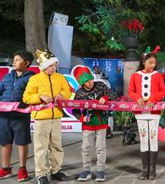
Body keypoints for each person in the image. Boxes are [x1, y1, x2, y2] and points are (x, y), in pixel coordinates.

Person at [23, 49, 72, 184]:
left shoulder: (60, 77)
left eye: (55, 65)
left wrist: (63, 95)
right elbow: (26, 98)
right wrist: (40, 96)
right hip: (41, 118)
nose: (53, 68)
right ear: (44, 66)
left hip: (56, 116)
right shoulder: (34, 79)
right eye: (51, 65)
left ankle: (56, 170)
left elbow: (67, 91)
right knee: (41, 147)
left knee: (57, 145)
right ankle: (41, 174)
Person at [73, 66, 117, 182]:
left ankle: (101, 171)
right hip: (87, 125)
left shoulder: (101, 85)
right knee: (86, 148)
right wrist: (82, 118)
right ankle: (86, 170)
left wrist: (105, 97)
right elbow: (75, 110)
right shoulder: (79, 93)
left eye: (91, 79)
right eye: (87, 81)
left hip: (101, 123)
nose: (90, 82)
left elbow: (113, 94)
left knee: (100, 148)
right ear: (82, 83)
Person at [128, 47, 165, 180]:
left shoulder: (157, 75)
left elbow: (163, 91)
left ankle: (153, 170)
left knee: (153, 138)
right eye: (150, 62)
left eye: (154, 63)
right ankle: (145, 170)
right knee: (143, 139)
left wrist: (152, 99)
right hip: (140, 112)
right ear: (143, 61)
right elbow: (131, 91)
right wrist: (137, 98)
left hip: (154, 112)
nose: (152, 65)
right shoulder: (135, 75)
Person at [0, 51, 35, 181]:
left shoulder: (32, 78)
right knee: (5, 142)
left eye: (17, 60)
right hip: (3, 115)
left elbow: (32, 95)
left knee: (22, 142)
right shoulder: (8, 77)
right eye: (13, 59)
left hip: (21, 115)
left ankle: (22, 169)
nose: (14, 62)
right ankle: (5, 169)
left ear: (26, 63)